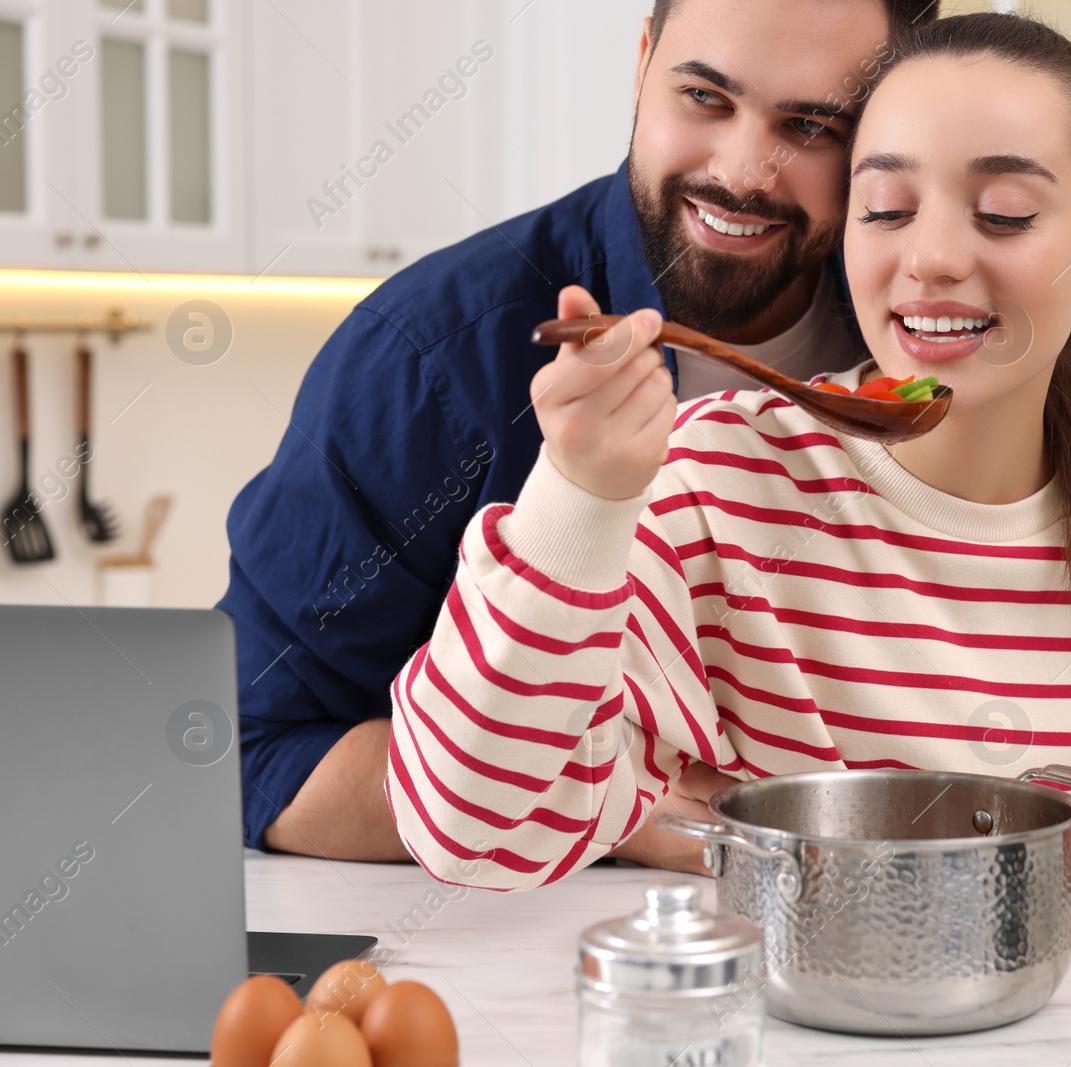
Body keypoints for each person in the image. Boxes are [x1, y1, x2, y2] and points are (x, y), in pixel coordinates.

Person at [385, 10, 1071, 933]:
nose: (930, 256)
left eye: (1005, 214)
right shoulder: (726, 482)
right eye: (885, 208)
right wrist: (579, 496)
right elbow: (473, 831)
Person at [218, 0, 953, 870]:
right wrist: (633, 816)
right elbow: (250, 753)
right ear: (642, 64)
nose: (745, 170)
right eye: (705, 99)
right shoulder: (429, 361)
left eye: (810, 125)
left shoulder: (937, 339)